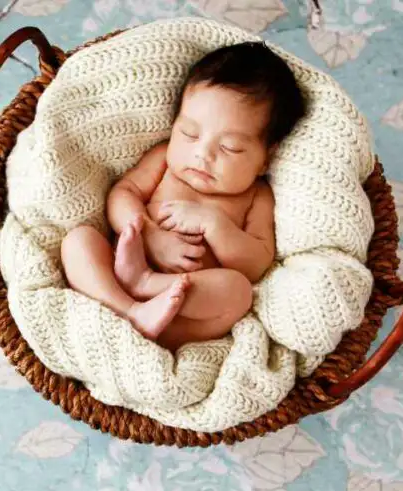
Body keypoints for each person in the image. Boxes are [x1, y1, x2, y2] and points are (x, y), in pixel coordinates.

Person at [59, 41, 306, 350]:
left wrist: (217, 226)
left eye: (230, 147)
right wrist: (149, 235)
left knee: (238, 291)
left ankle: (145, 290)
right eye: (189, 134)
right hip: (116, 279)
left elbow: (256, 263)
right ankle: (128, 309)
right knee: (78, 241)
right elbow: (123, 194)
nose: (202, 154)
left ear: (265, 159)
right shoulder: (165, 161)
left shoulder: (256, 196)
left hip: (182, 317)